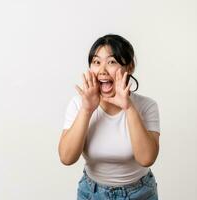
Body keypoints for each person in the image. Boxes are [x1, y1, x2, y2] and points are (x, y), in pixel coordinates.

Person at [58, 34, 161, 200]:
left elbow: (147, 158)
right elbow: (66, 158)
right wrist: (86, 110)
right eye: (97, 62)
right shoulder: (79, 104)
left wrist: (128, 107)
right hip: (91, 193)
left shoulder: (147, 106)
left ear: (130, 66)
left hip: (140, 193)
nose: (103, 70)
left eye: (112, 62)